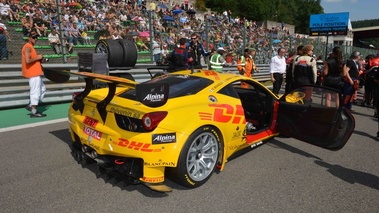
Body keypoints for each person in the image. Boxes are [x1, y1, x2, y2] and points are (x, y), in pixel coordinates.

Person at [22, 31, 46, 118]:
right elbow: (27, 61)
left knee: (42, 89)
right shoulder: (28, 47)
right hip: (33, 74)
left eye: (36, 37)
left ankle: (31, 104)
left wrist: (40, 60)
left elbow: (33, 60)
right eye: (33, 37)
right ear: (29, 38)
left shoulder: (31, 46)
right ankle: (34, 111)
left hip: (36, 72)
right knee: (35, 91)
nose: (35, 39)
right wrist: (38, 58)